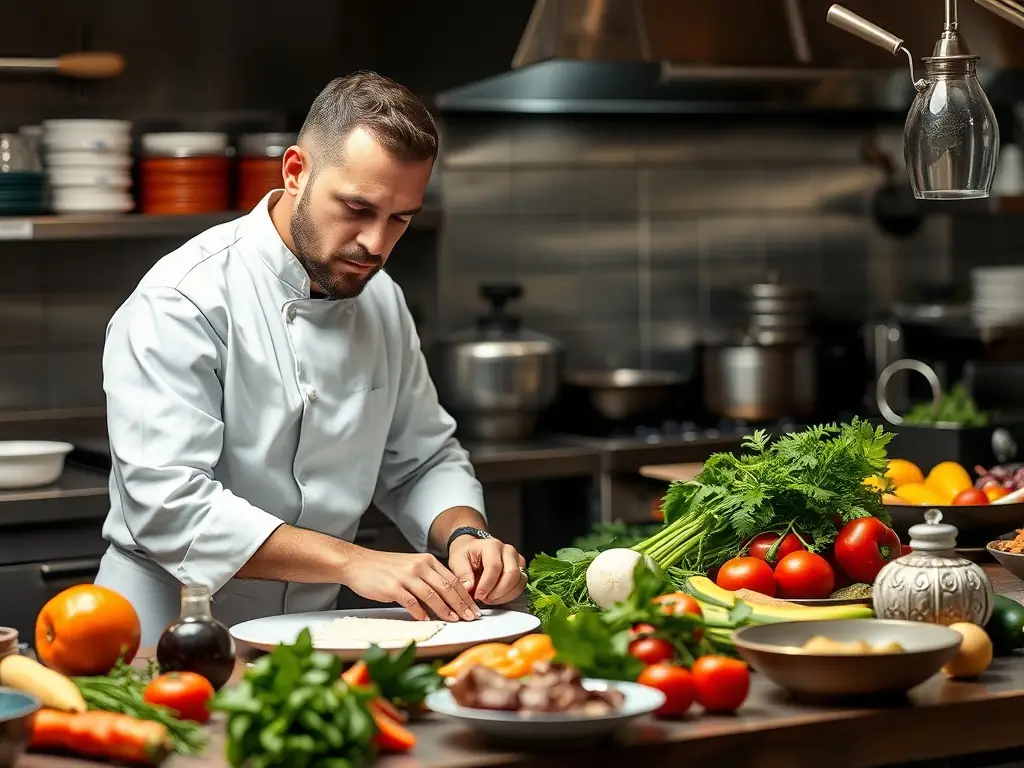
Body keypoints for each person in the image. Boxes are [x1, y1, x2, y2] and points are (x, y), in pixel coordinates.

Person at [95, 71, 527, 644]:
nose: (375, 244)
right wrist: (354, 562)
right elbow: (170, 507)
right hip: (167, 628)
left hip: (310, 633)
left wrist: (463, 537)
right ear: (295, 170)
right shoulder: (183, 299)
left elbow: (420, 458)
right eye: (356, 207)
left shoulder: (381, 300)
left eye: (400, 218)